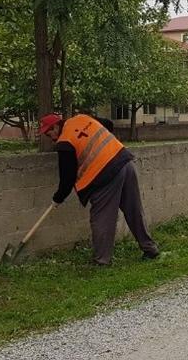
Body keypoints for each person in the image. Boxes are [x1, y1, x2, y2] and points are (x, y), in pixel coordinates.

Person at [39, 113, 159, 266]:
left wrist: (57, 198)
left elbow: (67, 178)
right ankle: (150, 248)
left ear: (56, 126)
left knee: (102, 219)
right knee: (134, 210)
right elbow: (108, 124)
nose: (49, 137)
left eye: (48, 133)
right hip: (124, 161)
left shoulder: (65, 142)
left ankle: (101, 261)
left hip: (105, 175)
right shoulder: (81, 118)